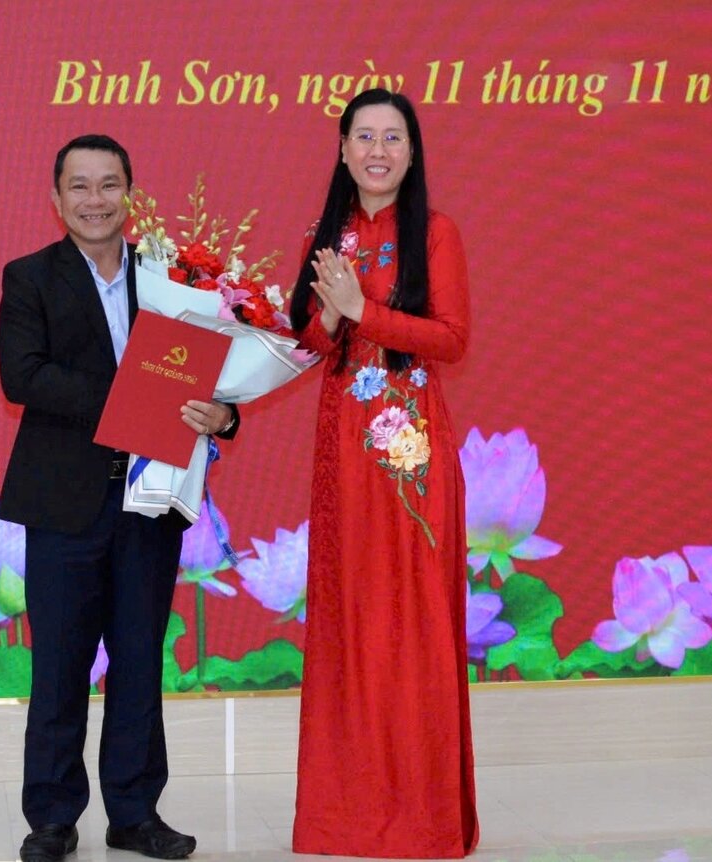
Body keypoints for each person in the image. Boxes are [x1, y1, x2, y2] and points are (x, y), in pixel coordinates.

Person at [0, 134, 238, 862]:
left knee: (138, 664)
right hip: (63, 504)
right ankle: (52, 818)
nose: (94, 200)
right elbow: (24, 377)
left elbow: (216, 374)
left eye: (109, 185)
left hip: (150, 505)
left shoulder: (171, 280)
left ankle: (135, 815)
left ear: (130, 194)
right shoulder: (29, 278)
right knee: (60, 669)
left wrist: (224, 414)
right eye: (80, 186)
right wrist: (136, 395)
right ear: (57, 199)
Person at [289, 89, 480, 858]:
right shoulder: (325, 235)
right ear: (341, 150)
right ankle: (343, 815)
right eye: (363, 136)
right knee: (348, 617)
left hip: (409, 452)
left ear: (412, 150)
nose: (377, 150)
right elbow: (308, 337)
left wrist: (360, 308)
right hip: (341, 446)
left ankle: (419, 816)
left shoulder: (434, 233)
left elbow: (452, 339)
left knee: (412, 621)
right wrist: (331, 310)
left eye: (392, 137)